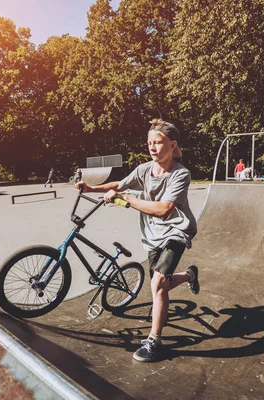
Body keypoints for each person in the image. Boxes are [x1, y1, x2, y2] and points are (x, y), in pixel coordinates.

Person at [75, 118, 199, 362]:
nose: (153, 147)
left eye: (158, 143)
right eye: (149, 143)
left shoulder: (180, 174)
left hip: (176, 231)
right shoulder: (144, 169)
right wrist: (90, 188)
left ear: (172, 145)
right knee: (159, 283)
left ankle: (154, 341)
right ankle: (189, 276)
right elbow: (119, 184)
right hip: (152, 234)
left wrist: (128, 199)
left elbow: (164, 209)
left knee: (158, 284)